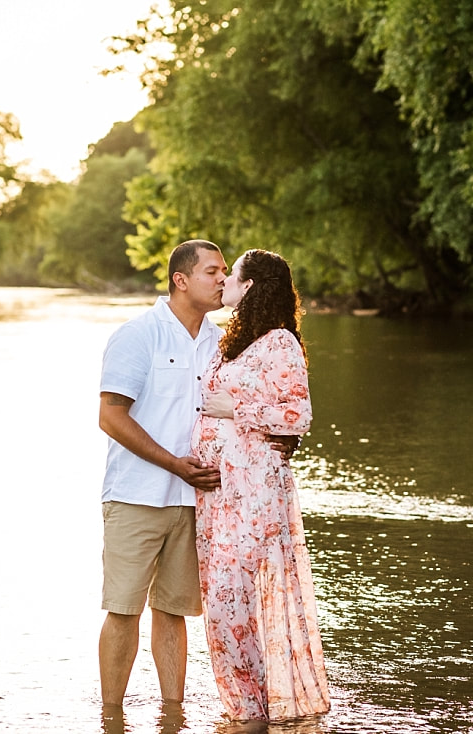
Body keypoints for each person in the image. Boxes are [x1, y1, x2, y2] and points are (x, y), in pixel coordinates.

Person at [97, 240, 298, 710]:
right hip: (137, 495)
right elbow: (110, 416)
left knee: (173, 612)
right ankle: (110, 717)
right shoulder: (138, 334)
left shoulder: (225, 343)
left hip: (201, 504)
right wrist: (174, 464)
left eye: (226, 271)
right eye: (212, 271)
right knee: (123, 609)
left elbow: (262, 405)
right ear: (180, 280)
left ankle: (173, 715)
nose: (223, 280)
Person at [193, 248, 331, 721]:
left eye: (231, 275)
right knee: (220, 601)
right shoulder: (231, 342)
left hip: (254, 492)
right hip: (216, 494)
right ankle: (245, 714)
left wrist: (238, 412)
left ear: (250, 286)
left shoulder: (280, 343)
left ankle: (265, 709)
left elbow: (299, 414)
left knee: (235, 603)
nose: (225, 281)